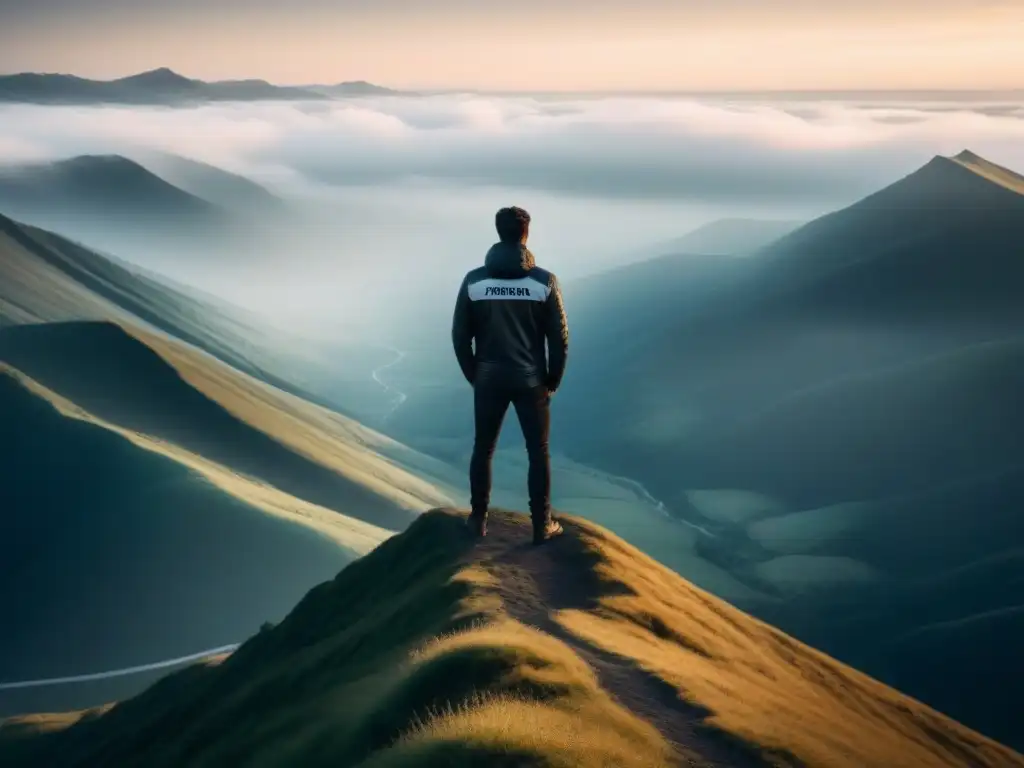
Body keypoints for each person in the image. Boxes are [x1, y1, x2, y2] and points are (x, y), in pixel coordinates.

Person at [451, 206, 569, 544]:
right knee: (538, 451)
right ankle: (541, 524)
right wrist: (553, 379)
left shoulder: (474, 281)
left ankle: (477, 520)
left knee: (483, 448)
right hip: (531, 380)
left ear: (498, 231)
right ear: (525, 234)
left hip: (488, 378)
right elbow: (558, 338)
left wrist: (475, 375)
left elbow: (460, 335)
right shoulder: (543, 282)